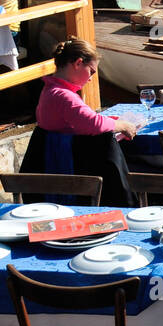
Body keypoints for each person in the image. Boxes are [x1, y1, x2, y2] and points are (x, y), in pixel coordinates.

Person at [26, 38, 138, 206]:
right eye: (91, 71)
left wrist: (111, 121)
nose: (91, 78)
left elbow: (87, 119)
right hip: (70, 164)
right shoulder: (63, 96)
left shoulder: (51, 90)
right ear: (78, 63)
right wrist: (122, 125)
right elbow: (93, 123)